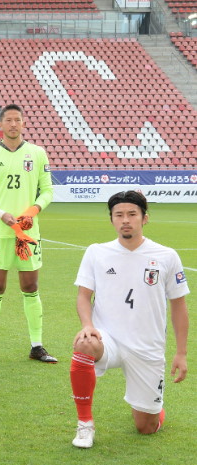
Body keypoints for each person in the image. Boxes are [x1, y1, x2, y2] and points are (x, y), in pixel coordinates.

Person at [69, 191, 188, 448]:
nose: (126, 220)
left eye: (132, 214)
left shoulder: (167, 256)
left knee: (145, 427)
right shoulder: (96, 252)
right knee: (84, 343)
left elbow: (179, 306)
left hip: (147, 346)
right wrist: (88, 326)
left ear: (145, 218)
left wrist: (181, 352)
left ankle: (153, 408)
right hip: (108, 339)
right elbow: (83, 296)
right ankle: (84, 424)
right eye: (119, 215)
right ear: (111, 220)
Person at [0, 103, 57, 364]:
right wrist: (0, 213)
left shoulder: (37, 153)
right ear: (0, 125)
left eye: (17, 120)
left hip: (27, 233)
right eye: (8, 120)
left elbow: (47, 191)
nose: (13, 124)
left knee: (30, 286)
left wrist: (32, 211)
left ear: (23, 124)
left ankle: (37, 345)